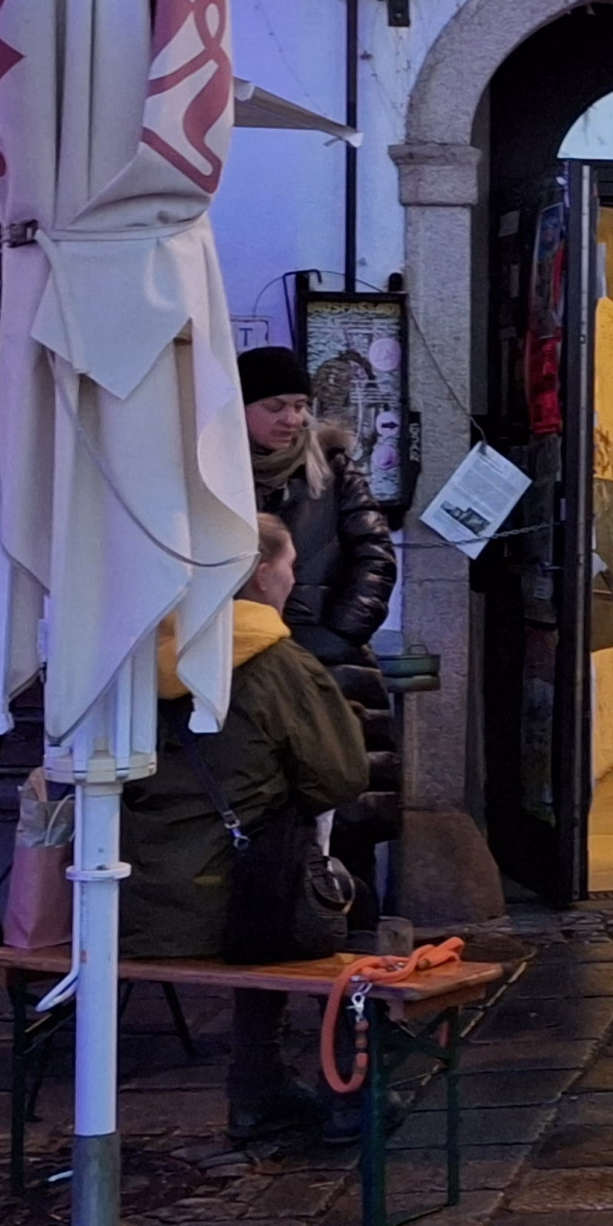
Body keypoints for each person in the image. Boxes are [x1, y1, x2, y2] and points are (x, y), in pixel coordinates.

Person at [126, 515, 369, 1144]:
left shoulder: (135, 654)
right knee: (329, 902)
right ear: (262, 574)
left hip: (135, 902)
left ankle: (261, 1090)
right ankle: (347, 1092)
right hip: (232, 906)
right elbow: (340, 779)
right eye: (289, 566)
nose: (293, 579)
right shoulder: (277, 664)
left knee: (270, 888)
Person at [241, 346, 398, 912]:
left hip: (334, 669)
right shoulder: (211, 473)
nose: (292, 418)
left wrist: (337, 634)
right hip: (246, 669)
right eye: (275, 405)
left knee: (346, 812)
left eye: (300, 405)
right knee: (264, 812)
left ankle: (360, 965)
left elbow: (375, 555)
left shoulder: (330, 467)